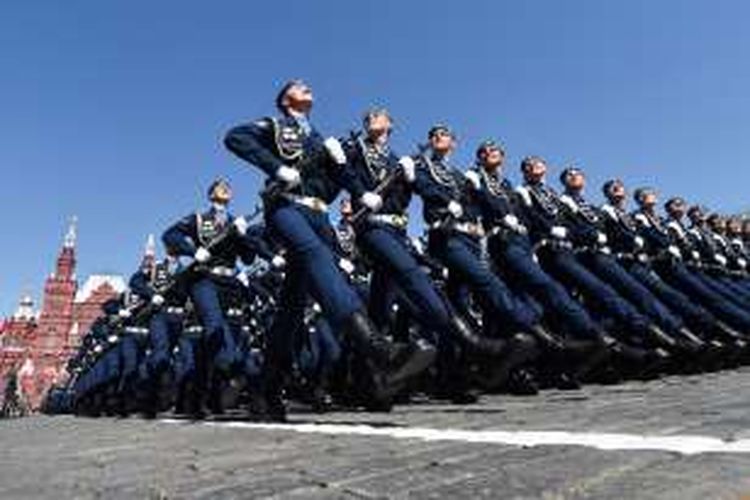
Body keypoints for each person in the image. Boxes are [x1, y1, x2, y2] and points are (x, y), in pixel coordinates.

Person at [224, 80, 435, 419]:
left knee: (291, 310)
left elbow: (341, 174)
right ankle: (376, 347)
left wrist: (357, 188)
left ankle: (265, 390)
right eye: (299, 87)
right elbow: (235, 138)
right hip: (287, 207)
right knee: (320, 259)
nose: (307, 88)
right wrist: (275, 167)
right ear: (285, 99)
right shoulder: (275, 126)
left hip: (319, 215)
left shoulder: (322, 139)